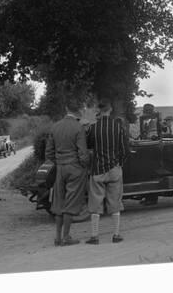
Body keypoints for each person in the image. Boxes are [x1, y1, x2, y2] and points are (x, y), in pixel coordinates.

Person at [45, 97, 89, 247]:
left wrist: (58, 161)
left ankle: (57, 237)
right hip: (75, 168)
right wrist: (84, 166)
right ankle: (66, 237)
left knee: (58, 202)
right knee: (71, 202)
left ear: (66, 109)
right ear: (78, 111)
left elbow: (48, 153)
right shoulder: (78, 128)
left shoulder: (55, 127)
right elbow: (83, 153)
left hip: (60, 167)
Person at [86, 98, 128, 244]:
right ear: (110, 110)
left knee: (95, 203)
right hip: (114, 168)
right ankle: (116, 235)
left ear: (99, 110)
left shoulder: (93, 128)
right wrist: (119, 164)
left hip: (98, 169)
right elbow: (125, 150)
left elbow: (89, 145)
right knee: (115, 202)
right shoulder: (118, 127)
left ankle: (94, 237)